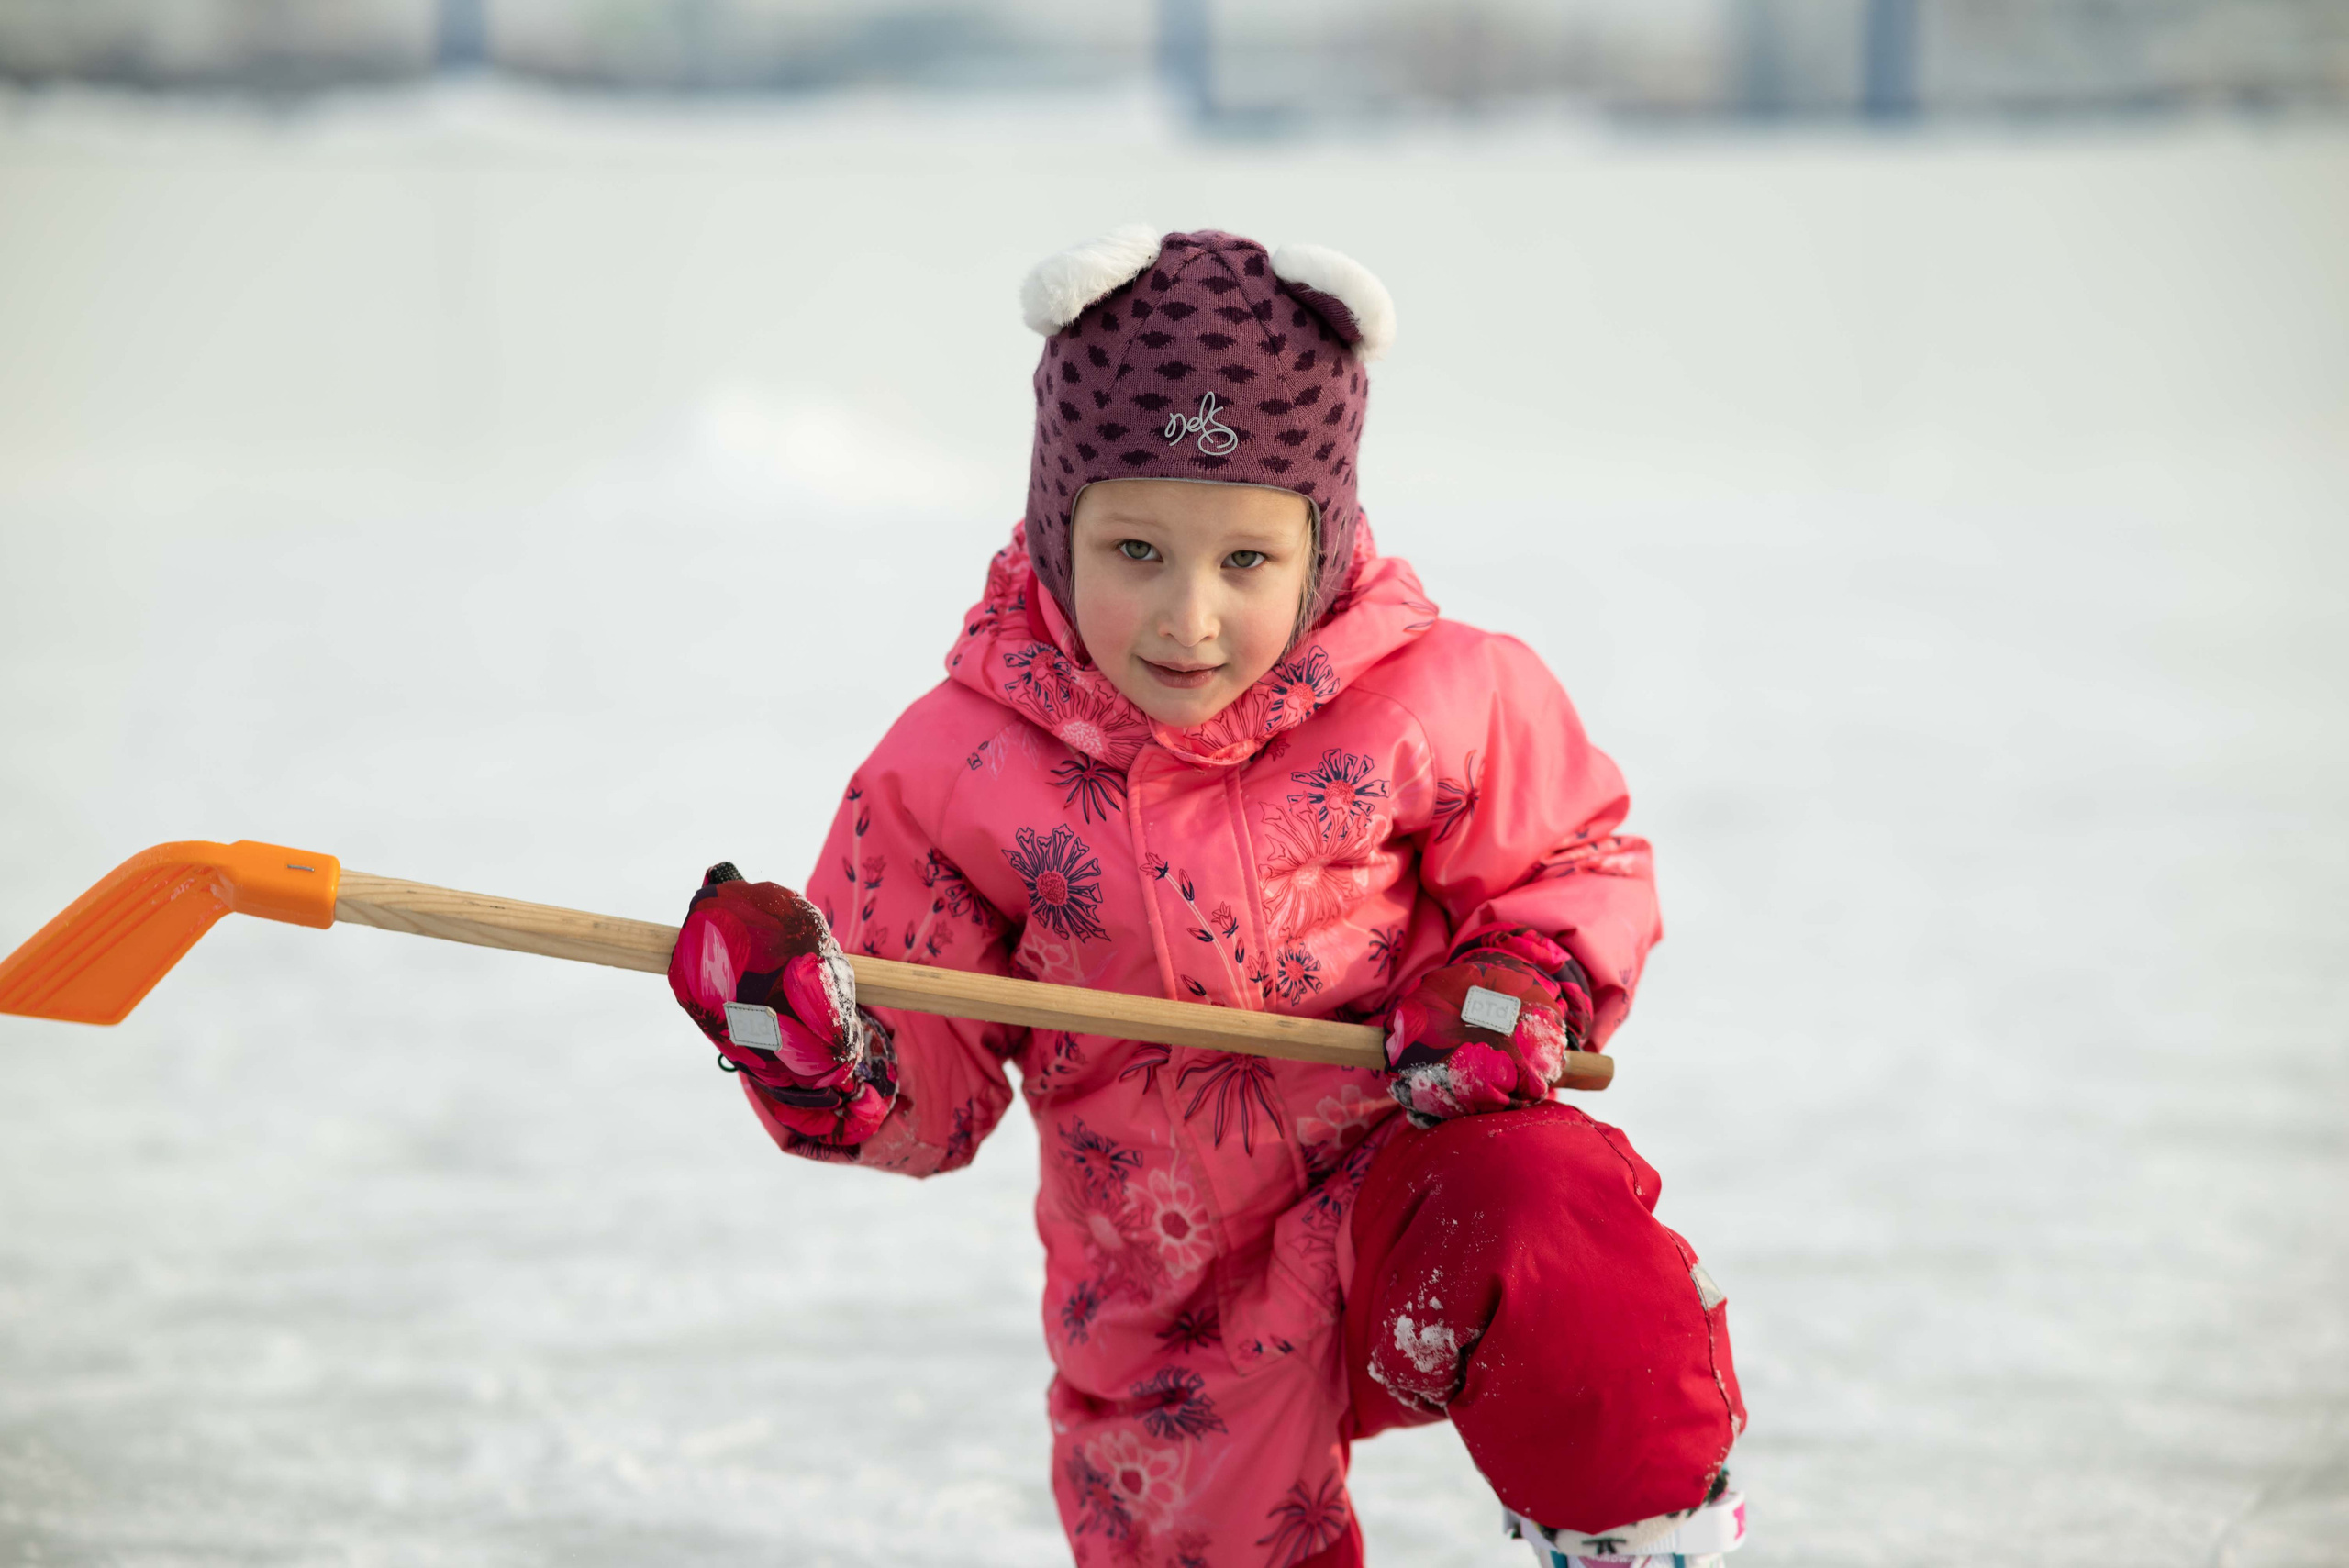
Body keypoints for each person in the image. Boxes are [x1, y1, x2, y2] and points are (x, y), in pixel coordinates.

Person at [666, 227, 1747, 1568]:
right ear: (1057, 528)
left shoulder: (1441, 698)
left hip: (1401, 1197)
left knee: (1546, 1213)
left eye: (1245, 561)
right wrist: (829, 1044)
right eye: (1135, 549)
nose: (1188, 618)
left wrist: (1521, 975)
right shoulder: (955, 764)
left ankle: (1639, 1545)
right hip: (1167, 1300)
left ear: (1323, 536)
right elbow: (932, 1093)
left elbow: (1570, 862)